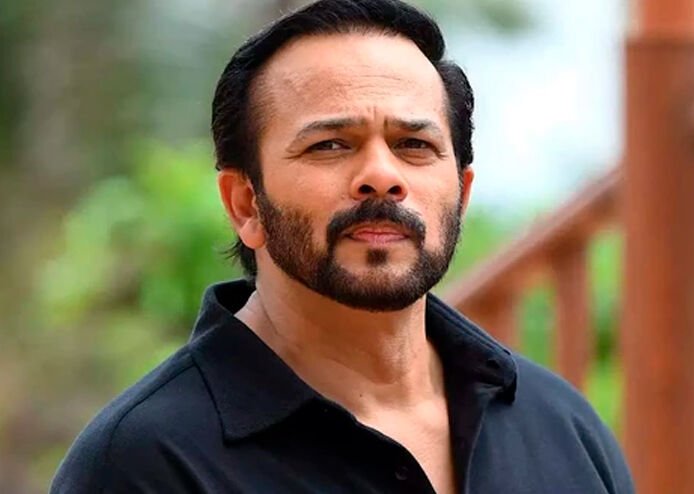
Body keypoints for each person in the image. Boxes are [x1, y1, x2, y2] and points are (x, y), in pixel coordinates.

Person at [51, 0, 634, 492]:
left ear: (461, 194)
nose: (381, 176)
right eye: (330, 145)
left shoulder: (560, 427)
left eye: (414, 144)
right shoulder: (144, 463)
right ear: (245, 204)